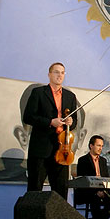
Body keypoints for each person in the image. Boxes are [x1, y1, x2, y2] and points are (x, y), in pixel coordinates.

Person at [22, 62, 79, 200]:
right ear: (49, 74)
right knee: (34, 190)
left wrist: (70, 123)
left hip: (62, 150)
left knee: (60, 192)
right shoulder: (38, 92)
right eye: (56, 72)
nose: (59, 75)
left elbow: (74, 121)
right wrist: (50, 122)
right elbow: (28, 117)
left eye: (62, 72)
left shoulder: (70, 96)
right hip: (41, 148)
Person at [75, 135, 110, 219]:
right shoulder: (83, 160)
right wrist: (96, 191)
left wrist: (104, 191)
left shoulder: (103, 161)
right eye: (98, 145)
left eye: (101, 146)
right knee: (95, 200)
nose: (100, 148)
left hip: (102, 190)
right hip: (88, 191)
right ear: (91, 146)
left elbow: (106, 178)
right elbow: (83, 180)